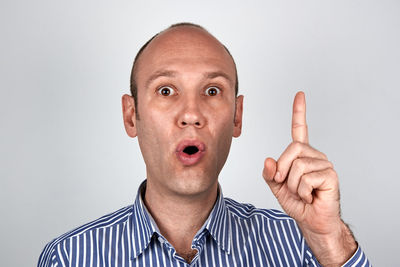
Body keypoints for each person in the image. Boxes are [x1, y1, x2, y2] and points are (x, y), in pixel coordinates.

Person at [38, 22, 370, 267]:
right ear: (131, 116)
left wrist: (329, 242)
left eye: (212, 91)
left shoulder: (303, 246)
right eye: (166, 91)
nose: (192, 115)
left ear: (237, 116)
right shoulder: (70, 257)